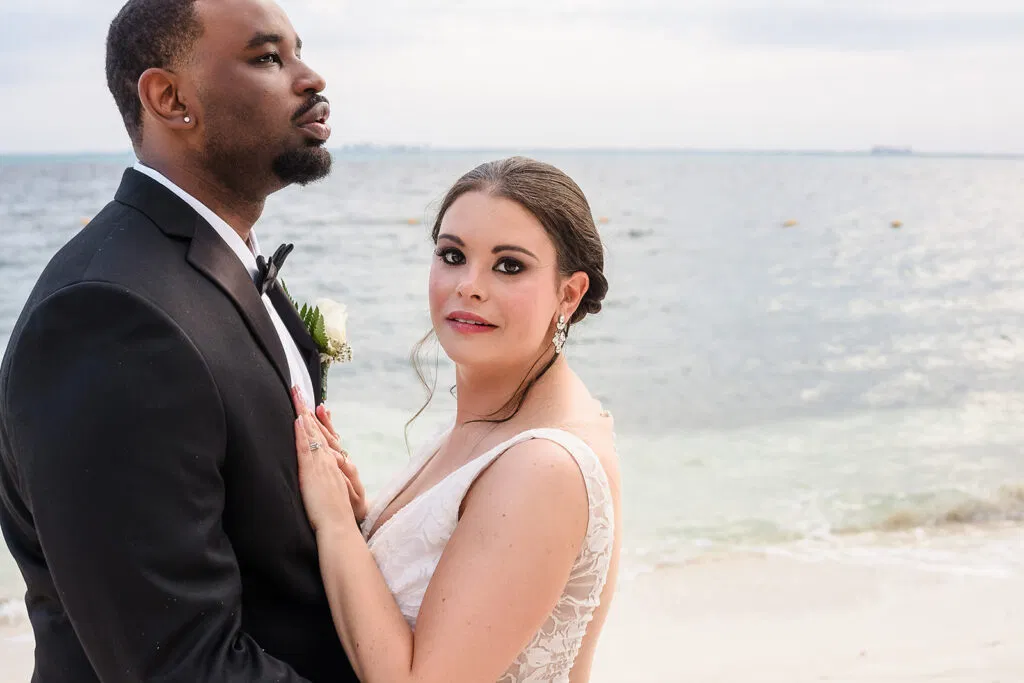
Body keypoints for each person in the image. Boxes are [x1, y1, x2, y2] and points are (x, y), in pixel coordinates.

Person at [0, 0, 356, 680]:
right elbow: (181, 665)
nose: (311, 78)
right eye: (268, 58)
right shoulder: (106, 317)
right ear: (170, 98)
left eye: (299, 51)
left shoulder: (215, 267)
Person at [292, 157, 623, 683]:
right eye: (452, 255)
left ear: (569, 293)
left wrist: (334, 527)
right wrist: (368, 517)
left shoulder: (545, 465)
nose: (469, 285)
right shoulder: (493, 420)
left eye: (509, 265)